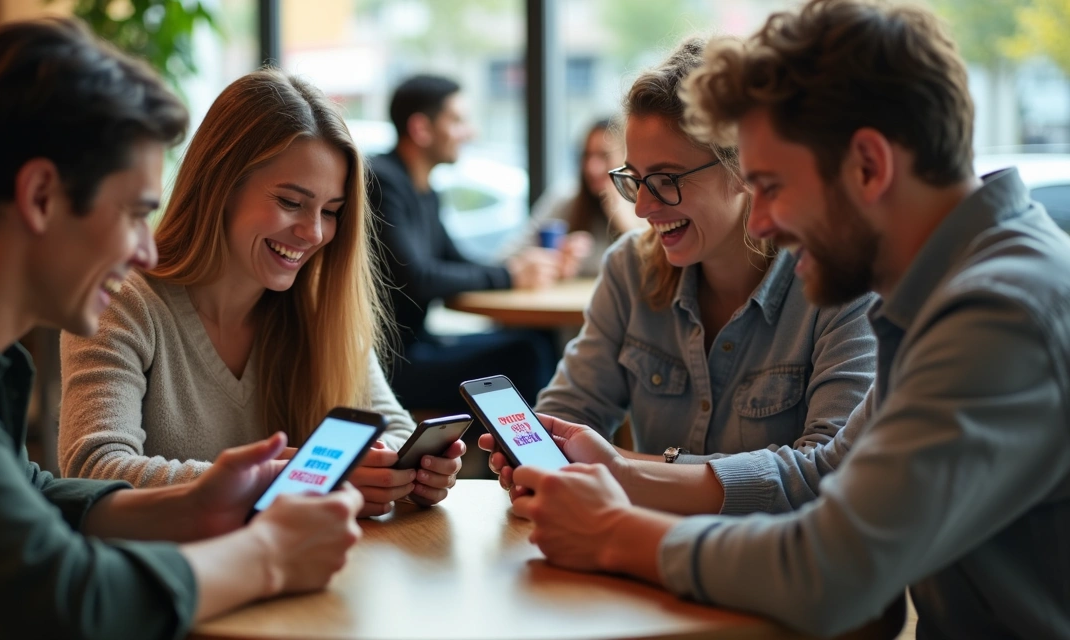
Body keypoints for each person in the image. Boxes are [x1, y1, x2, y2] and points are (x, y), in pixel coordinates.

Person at [484, 1, 1070, 637]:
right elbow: (829, 474)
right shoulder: (963, 285)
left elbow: (830, 569)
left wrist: (611, 530)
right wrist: (623, 473)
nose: (760, 220)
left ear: (869, 166)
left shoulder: (995, 313)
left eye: (771, 185)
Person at [0, 19, 363, 640]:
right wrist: (268, 556)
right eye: (133, 214)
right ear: (41, 195)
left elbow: (27, 493)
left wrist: (193, 503)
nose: (146, 253)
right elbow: (59, 599)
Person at [58, 69, 463, 517]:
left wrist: (400, 471)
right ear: (221, 186)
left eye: (330, 212)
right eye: (290, 202)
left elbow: (393, 429)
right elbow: (92, 472)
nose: (312, 232)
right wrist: (287, 479)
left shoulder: (319, 305)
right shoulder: (123, 301)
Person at [534, 38, 876, 460]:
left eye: (666, 179)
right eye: (635, 178)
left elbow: (828, 474)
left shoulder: (842, 286)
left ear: (745, 168)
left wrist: (622, 468)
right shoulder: (629, 269)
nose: (642, 206)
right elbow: (560, 423)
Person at [368, 74, 564, 411]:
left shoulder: (423, 189)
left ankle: (530, 453)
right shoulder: (382, 181)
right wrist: (509, 277)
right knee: (526, 353)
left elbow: (455, 260)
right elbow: (418, 277)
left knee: (539, 337)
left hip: (420, 346)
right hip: (390, 365)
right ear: (421, 128)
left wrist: (521, 267)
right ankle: (526, 458)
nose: (470, 132)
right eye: (458, 120)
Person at [504, 118, 642, 278]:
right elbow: (506, 258)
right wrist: (552, 262)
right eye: (587, 155)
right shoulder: (565, 201)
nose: (592, 168)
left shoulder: (646, 208)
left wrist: (627, 225)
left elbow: (661, 272)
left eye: (604, 156)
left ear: (628, 160)